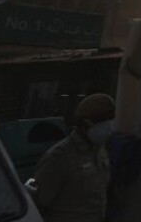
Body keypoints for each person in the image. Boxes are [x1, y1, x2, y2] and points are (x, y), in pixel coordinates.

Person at [31, 93, 115, 222]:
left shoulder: (99, 149)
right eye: (102, 122)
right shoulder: (59, 157)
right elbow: (37, 203)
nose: (108, 127)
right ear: (86, 124)